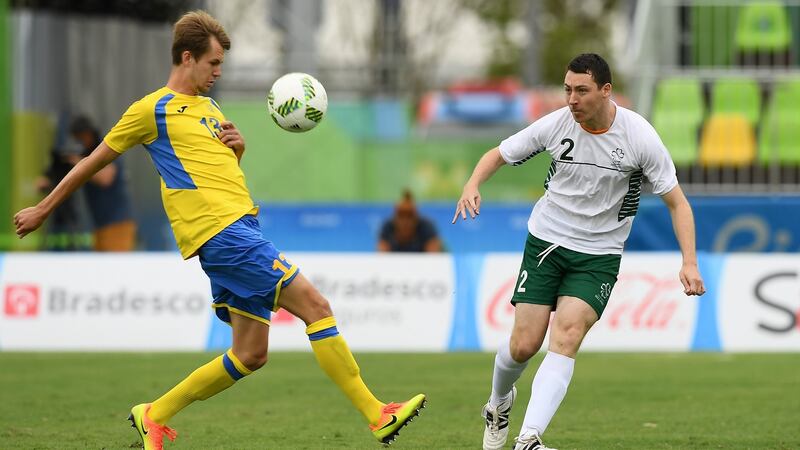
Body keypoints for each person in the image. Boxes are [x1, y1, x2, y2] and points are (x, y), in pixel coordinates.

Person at [14, 10, 425, 450]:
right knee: (316, 305)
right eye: (213, 64)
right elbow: (93, 162)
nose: (218, 72)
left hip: (241, 228)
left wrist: (239, 152)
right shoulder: (152, 110)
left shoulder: (210, 110)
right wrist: (42, 207)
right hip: (224, 236)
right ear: (187, 58)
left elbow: (217, 177)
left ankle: (154, 415)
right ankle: (375, 412)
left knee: (251, 354)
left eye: (221, 65)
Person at [452, 53, 705, 450]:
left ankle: (528, 439)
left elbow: (678, 203)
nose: (571, 99)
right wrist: (472, 183)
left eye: (581, 90)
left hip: (599, 254)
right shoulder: (556, 125)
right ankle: (498, 404)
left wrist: (689, 261)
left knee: (566, 336)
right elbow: (498, 154)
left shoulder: (639, 136)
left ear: (606, 91)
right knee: (523, 345)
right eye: (568, 89)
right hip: (547, 242)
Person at [67, 115, 137, 251]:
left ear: (88, 133)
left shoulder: (106, 146)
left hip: (117, 224)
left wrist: (78, 164)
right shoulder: (85, 153)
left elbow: (106, 178)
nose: (79, 142)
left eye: (80, 137)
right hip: (100, 225)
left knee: (116, 269)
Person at [378, 189, 443, 252]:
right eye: (401, 216)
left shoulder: (427, 227)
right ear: (395, 217)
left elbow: (433, 259)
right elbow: (382, 258)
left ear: (416, 217)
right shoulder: (388, 228)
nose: (405, 221)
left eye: (409, 216)